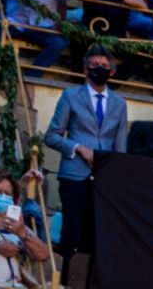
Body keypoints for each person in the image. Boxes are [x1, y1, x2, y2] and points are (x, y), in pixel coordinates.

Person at [42, 44, 127, 261]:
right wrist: (77, 147)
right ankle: (64, 283)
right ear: (85, 69)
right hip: (74, 174)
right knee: (72, 232)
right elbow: (52, 135)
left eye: (104, 66)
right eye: (95, 65)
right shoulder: (71, 96)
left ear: (112, 72)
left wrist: (116, 177)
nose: (99, 68)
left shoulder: (119, 103)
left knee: (96, 235)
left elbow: (120, 146)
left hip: (103, 178)